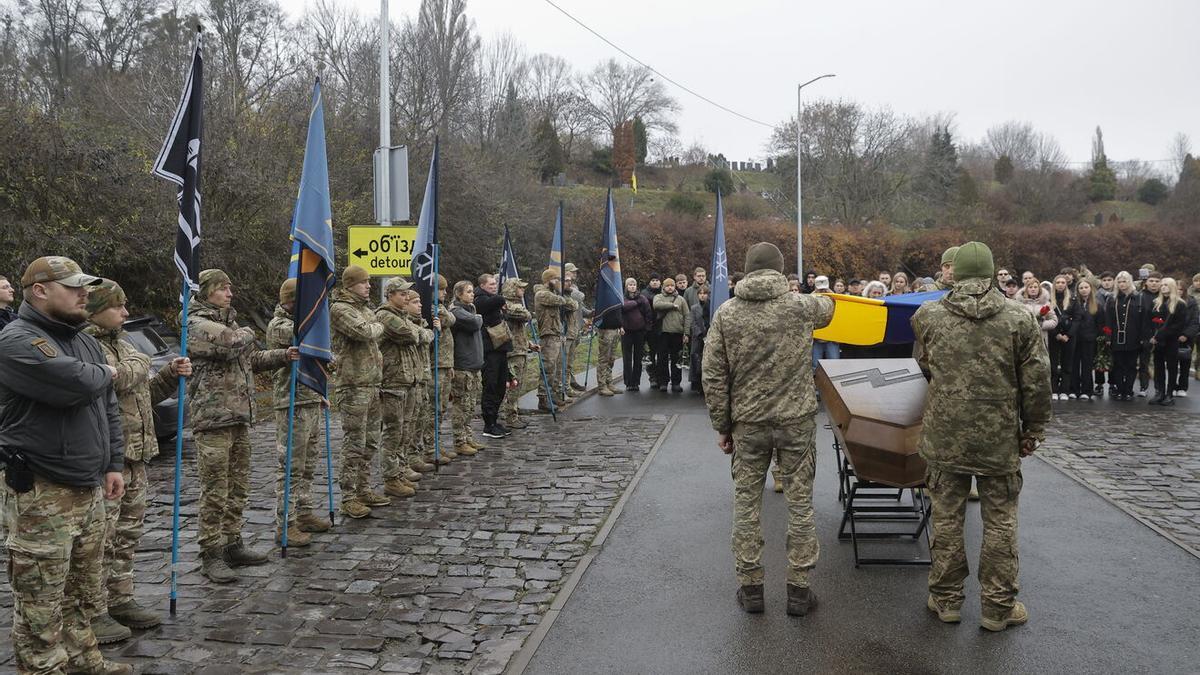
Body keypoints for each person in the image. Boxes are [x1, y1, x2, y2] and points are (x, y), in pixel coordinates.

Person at [0, 257, 133, 675]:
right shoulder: (17, 339)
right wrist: (106, 372)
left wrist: (113, 463)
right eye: (73, 286)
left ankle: (82, 658)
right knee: (40, 598)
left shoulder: (84, 340)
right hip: (43, 489)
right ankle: (43, 667)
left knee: (83, 590)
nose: (84, 294)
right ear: (40, 290)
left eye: (85, 287)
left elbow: (108, 407)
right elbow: (74, 384)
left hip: (88, 484)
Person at [912, 241, 1051, 632]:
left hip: (945, 436)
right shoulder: (1018, 319)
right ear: (992, 274)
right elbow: (1037, 382)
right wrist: (1034, 430)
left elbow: (926, 365)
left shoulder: (928, 315)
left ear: (955, 271)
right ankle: (997, 607)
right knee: (1001, 523)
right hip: (999, 438)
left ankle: (946, 599)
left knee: (947, 519)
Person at [703, 242, 834, 616]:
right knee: (800, 504)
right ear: (780, 270)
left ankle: (751, 588)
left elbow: (712, 374)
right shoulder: (800, 306)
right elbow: (829, 307)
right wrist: (818, 291)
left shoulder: (727, 313)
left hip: (749, 423)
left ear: (746, 269)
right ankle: (799, 590)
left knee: (746, 503)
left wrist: (722, 426)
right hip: (796, 421)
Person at [85, 280, 190, 638]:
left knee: (128, 535)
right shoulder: (88, 345)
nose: (126, 313)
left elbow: (143, 390)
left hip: (137, 455)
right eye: (118, 307)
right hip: (108, 458)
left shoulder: (125, 343)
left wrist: (167, 375)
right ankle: (93, 609)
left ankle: (120, 597)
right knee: (102, 539)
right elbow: (114, 382)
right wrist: (142, 363)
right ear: (96, 310)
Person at [187, 269, 294, 581]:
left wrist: (284, 355)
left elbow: (251, 360)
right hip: (212, 420)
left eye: (229, 288)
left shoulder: (227, 323)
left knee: (238, 487)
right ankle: (211, 551)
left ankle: (233, 541)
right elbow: (232, 344)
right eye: (222, 289)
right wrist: (247, 332)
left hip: (238, 417)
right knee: (215, 490)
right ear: (206, 292)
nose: (229, 294)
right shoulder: (194, 324)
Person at [267, 279, 331, 544]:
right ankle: (286, 524)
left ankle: (304, 512)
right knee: (291, 467)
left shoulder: (306, 319)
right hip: (291, 400)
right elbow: (303, 335)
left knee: (308, 465)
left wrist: (320, 393)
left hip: (310, 399)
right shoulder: (280, 325)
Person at [330, 265, 388, 520]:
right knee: (354, 442)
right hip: (353, 384)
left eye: (368, 282)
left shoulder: (365, 309)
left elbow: (373, 328)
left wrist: (374, 324)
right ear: (350, 285)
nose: (368, 286)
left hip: (372, 382)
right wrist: (376, 325)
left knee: (371, 441)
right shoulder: (340, 309)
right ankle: (348, 496)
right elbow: (365, 331)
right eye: (363, 283)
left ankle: (364, 488)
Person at [376, 277, 423, 500]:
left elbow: (418, 334)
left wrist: (417, 332)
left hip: (408, 379)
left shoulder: (402, 316)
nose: (406, 297)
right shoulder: (385, 315)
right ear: (391, 295)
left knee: (405, 429)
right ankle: (390, 477)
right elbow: (409, 335)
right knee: (393, 432)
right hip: (393, 380)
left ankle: (400, 469)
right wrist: (416, 332)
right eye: (402, 294)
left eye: (407, 294)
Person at [474, 273, 513, 438]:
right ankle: (488, 424)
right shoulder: (480, 299)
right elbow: (496, 301)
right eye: (491, 284)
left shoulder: (492, 298)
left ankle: (495, 420)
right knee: (490, 386)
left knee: (500, 386)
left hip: (500, 348)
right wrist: (501, 296)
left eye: (495, 283)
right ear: (482, 285)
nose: (494, 286)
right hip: (489, 350)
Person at [449, 281, 486, 449]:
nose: (472, 294)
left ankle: (468, 436)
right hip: (462, 366)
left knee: (470, 407)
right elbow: (475, 323)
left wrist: (477, 316)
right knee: (461, 406)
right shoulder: (456, 311)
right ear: (459, 294)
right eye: (469, 292)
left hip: (475, 365)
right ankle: (459, 440)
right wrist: (478, 317)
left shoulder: (471, 309)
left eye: (472, 292)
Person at [534, 268, 577, 411]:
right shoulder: (542, 294)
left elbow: (573, 305)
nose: (558, 282)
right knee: (548, 368)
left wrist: (564, 293)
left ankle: (553, 395)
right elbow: (561, 300)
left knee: (558, 368)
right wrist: (562, 292)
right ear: (548, 280)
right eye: (555, 279)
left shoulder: (553, 293)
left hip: (557, 334)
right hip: (548, 335)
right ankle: (543, 398)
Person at [1104, 272, 1148, 401]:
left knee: (1131, 365)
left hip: (1133, 337)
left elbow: (1143, 320)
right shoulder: (1112, 298)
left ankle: (1128, 390)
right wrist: (1107, 336)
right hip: (1116, 337)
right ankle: (1119, 389)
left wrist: (1142, 338)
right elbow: (1107, 320)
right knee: (1118, 365)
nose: (1122, 284)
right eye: (1120, 282)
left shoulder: (1138, 298)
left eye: (1125, 281)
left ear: (1130, 282)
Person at [501, 278, 535, 428]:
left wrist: (529, 344)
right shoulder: (509, 306)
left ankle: (513, 412)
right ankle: (509, 415)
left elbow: (518, 331)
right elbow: (526, 315)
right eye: (520, 288)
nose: (523, 291)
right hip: (513, 352)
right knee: (514, 385)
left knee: (519, 383)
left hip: (520, 348)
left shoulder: (515, 305)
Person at [1148, 278, 1188, 406]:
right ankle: (1159, 392)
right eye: (1162, 284)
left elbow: (1178, 325)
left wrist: (1160, 335)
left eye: (1166, 285)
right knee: (1158, 367)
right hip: (1157, 341)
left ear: (1171, 286)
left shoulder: (1180, 304)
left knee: (1171, 367)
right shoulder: (1156, 302)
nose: (1163, 287)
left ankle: (1170, 394)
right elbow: (1151, 321)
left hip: (1171, 340)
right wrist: (1152, 335)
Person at [652, 277, 690, 393]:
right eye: (668, 285)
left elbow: (687, 316)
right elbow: (656, 305)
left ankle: (676, 383)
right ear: (663, 287)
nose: (670, 287)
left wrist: (686, 333)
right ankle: (663, 382)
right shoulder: (658, 297)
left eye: (672, 285)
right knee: (662, 359)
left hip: (677, 333)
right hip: (663, 333)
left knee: (676, 359)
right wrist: (672, 306)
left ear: (675, 287)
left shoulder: (681, 299)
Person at [1066, 279, 1102, 400]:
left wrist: (1098, 336)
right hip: (1075, 338)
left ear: (1090, 288)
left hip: (1089, 339)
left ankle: (1087, 390)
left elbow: (1100, 323)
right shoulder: (1074, 303)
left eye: (1086, 287)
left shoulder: (1097, 304)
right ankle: (1074, 388)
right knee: (1074, 364)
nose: (1084, 290)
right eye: (1081, 288)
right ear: (1078, 290)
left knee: (1087, 365)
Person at [620, 277, 652, 391]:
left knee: (638, 357)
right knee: (627, 358)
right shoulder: (622, 298)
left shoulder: (642, 299)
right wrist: (620, 326)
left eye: (634, 284)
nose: (632, 286)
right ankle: (628, 382)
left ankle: (636, 381)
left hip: (639, 331)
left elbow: (648, 313)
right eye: (630, 284)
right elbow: (620, 311)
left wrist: (646, 328)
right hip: (626, 331)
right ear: (626, 286)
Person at [594, 286, 625, 397]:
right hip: (605, 329)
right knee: (604, 358)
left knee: (611, 358)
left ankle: (609, 382)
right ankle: (602, 385)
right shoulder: (602, 289)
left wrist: (620, 325)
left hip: (615, 328)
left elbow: (619, 310)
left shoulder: (616, 289)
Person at [1136, 272, 1163, 396]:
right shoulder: (1140, 296)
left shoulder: (1164, 296)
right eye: (1151, 281)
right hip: (1144, 334)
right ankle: (1143, 387)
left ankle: (1159, 387)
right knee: (1143, 362)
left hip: (1161, 334)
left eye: (1157, 281)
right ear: (1146, 282)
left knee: (1159, 363)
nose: (1154, 284)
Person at [1048, 275, 1075, 400]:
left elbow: (1077, 318)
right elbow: (1046, 318)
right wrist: (1056, 334)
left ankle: (1065, 389)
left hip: (1069, 335)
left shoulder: (1073, 299)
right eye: (1057, 282)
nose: (1060, 284)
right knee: (1053, 363)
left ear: (1066, 284)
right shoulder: (1049, 300)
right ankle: (1054, 389)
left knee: (1067, 363)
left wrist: (1068, 335)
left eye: (1062, 282)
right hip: (1054, 335)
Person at [563, 266, 589, 392]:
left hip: (576, 325)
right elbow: (579, 297)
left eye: (575, 272)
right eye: (572, 271)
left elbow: (580, 306)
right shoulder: (566, 289)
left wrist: (590, 313)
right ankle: (568, 383)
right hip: (567, 327)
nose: (575, 274)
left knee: (572, 357)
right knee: (566, 357)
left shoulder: (574, 287)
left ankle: (570, 381)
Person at [810, 276, 840, 370]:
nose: (822, 290)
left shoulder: (836, 298)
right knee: (815, 365)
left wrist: (833, 296)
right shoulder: (810, 298)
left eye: (824, 288)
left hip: (831, 338)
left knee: (834, 365)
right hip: (817, 339)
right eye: (820, 288)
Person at [688, 284, 710, 393]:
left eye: (704, 294)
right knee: (696, 357)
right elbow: (693, 323)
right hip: (698, 337)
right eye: (700, 294)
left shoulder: (711, 307)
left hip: (709, 336)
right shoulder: (694, 308)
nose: (702, 296)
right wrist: (700, 333)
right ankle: (695, 381)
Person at [642, 275, 662, 375]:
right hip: (649, 328)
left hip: (662, 327)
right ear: (649, 282)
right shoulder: (644, 294)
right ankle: (652, 376)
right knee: (651, 354)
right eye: (653, 280)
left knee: (662, 354)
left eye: (657, 280)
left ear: (660, 282)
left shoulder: (664, 292)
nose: (655, 282)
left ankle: (661, 377)